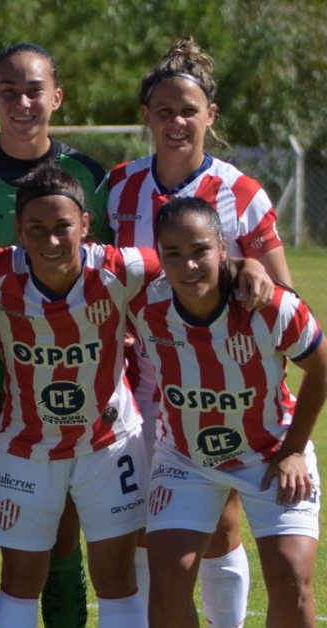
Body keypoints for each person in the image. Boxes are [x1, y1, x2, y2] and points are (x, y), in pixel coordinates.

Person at [105, 37, 290, 626]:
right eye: (164, 111)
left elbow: (285, 297)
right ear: (146, 117)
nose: (176, 122)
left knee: (221, 523)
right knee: (148, 523)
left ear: (210, 114)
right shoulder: (120, 186)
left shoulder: (241, 193)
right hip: (140, 380)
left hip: (220, 382)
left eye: (189, 110)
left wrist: (248, 268)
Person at [0, 42, 109, 626]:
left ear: (56, 97)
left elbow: (112, 268)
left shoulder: (91, 177)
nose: (22, 102)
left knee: (61, 532)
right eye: (8, 91)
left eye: (34, 90)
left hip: (70, 385)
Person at [0, 167, 155, 627]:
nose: (50, 240)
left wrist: (246, 266)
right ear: (18, 229)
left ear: (85, 225)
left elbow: (194, 258)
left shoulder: (120, 268)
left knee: (116, 580)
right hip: (26, 448)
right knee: (19, 581)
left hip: (108, 445)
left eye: (62, 227)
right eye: (36, 228)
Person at [130, 196, 323, 627]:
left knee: (292, 579)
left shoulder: (270, 306)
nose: (188, 265)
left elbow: (322, 367)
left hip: (270, 453)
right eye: (173, 254)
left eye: (200, 250)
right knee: (168, 581)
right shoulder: (143, 304)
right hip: (186, 460)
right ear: (160, 256)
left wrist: (293, 450)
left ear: (222, 248)